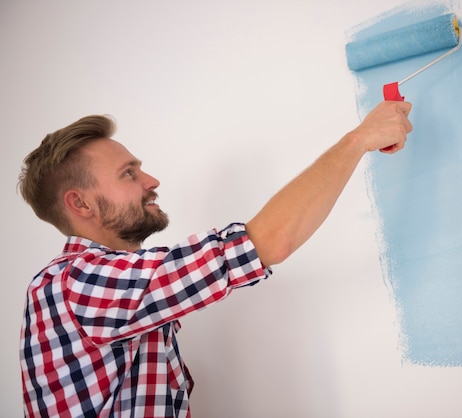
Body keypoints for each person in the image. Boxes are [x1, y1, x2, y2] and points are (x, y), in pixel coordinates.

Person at [18, 100, 412, 417]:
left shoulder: (104, 285)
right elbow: (268, 242)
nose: (151, 181)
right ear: (80, 203)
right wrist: (359, 139)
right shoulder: (80, 282)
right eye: (128, 173)